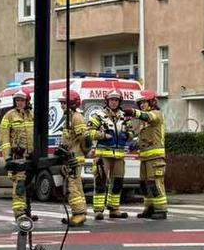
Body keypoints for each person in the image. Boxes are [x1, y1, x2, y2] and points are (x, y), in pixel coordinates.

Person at [88, 91, 132, 219]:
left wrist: (128, 135)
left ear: (119, 102)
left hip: (119, 156)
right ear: (107, 101)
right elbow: (89, 132)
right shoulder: (98, 115)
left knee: (117, 182)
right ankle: (98, 210)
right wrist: (103, 135)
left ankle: (114, 209)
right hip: (103, 155)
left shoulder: (124, 116)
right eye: (111, 100)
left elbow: (131, 132)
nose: (114, 102)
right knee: (100, 182)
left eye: (116, 100)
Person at [127, 90, 167, 220]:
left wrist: (133, 112)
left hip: (155, 158)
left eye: (144, 102)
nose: (142, 105)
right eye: (140, 103)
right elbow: (144, 137)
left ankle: (161, 210)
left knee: (155, 183)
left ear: (152, 102)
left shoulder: (156, 114)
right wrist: (135, 144)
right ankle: (149, 208)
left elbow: (148, 116)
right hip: (144, 158)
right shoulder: (143, 122)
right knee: (144, 185)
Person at [0, 89, 36, 220]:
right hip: (17, 157)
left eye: (22, 100)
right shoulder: (9, 116)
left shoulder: (32, 115)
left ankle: (27, 212)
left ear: (27, 101)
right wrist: (8, 157)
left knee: (29, 186)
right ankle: (19, 214)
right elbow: (4, 138)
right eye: (17, 100)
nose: (19, 103)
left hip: (31, 157)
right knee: (19, 185)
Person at [58, 91, 90, 227]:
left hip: (75, 158)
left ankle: (79, 214)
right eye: (61, 103)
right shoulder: (68, 117)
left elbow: (85, 139)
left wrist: (84, 152)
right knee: (77, 185)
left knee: (72, 186)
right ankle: (80, 212)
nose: (62, 105)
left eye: (64, 103)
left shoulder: (77, 118)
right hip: (70, 157)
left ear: (72, 104)